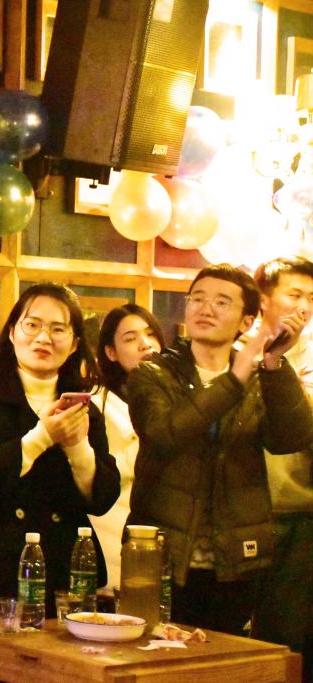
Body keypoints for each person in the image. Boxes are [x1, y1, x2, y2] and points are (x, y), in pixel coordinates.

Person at [126, 264, 313, 636]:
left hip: (236, 557)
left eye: (221, 302)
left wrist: (274, 364)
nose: (205, 309)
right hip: (165, 553)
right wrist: (234, 379)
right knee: (158, 657)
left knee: (227, 658)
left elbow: (290, 438)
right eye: (197, 298)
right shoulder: (154, 374)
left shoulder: (260, 377)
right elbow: (164, 434)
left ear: (246, 322)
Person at [0, 283, 119, 627]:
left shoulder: (83, 407)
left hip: (62, 572)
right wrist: (42, 437)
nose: (43, 338)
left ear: (75, 343)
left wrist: (78, 446)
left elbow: (102, 499)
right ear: (12, 332)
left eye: (58, 329)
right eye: (32, 325)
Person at [248, 256, 313, 681]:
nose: (304, 306)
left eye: (311, 298)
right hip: (245, 511)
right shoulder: (238, 353)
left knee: (291, 637)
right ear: (263, 300)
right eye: (295, 294)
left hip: (301, 512)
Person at [88, 304, 165, 589]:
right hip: (112, 529)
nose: (145, 344)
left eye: (150, 334)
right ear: (111, 352)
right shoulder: (97, 405)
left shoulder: (179, 399)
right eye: (130, 338)